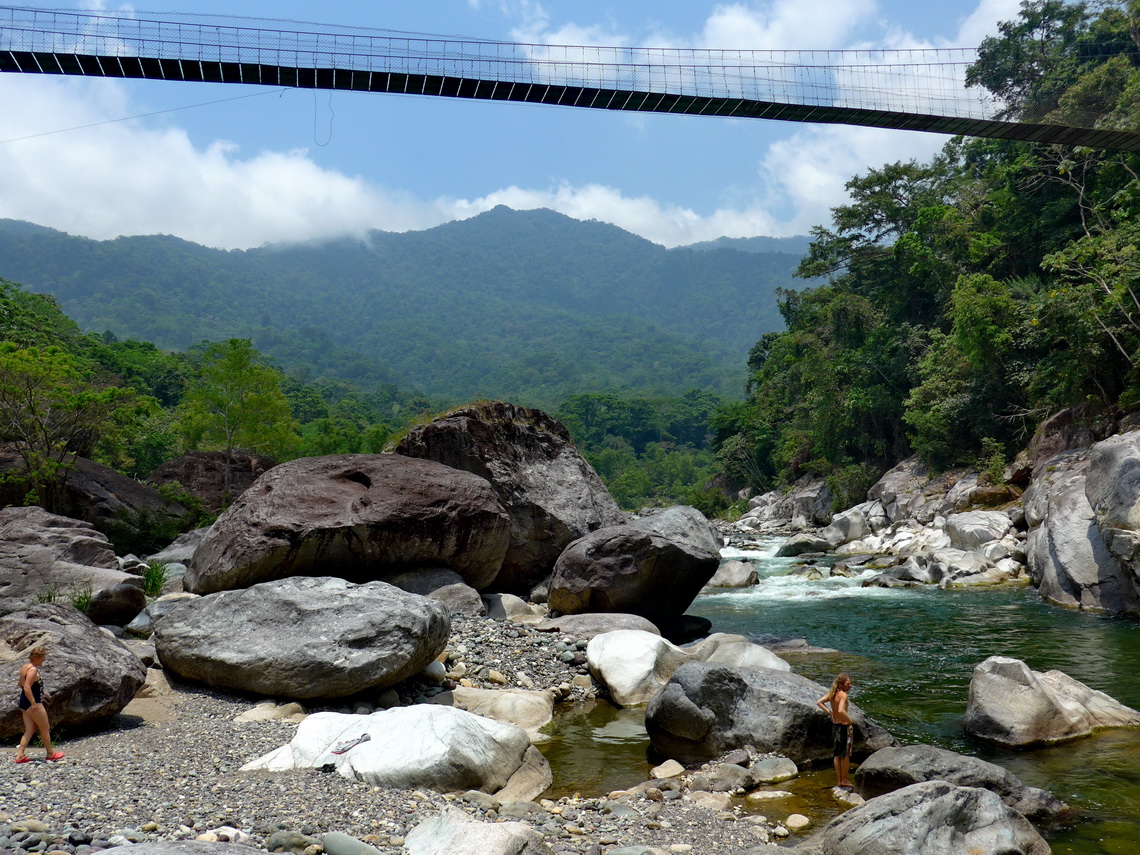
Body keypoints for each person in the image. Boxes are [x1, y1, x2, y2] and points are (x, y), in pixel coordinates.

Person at [14, 647, 64, 763]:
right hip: (33, 703)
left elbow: (20, 684)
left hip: (24, 702)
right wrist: (33, 702)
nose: (44, 661)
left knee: (29, 729)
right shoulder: (33, 670)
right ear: (38, 658)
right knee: (45, 728)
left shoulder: (24, 667)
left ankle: (20, 755)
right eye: (43, 658)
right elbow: (26, 687)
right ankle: (50, 754)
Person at [816, 672, 852, 789]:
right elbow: (841, 710)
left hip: (835, 726)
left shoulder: (832, 694)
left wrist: (830, 713)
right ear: (841, 684)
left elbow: (819, 702)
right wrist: (850, 721)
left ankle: (839, 780)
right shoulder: (843, 695)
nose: (850, 685)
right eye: (848, 683)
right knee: (845, 754)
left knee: (837, 755)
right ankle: (845, 780)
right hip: (843, 726)